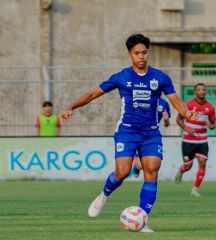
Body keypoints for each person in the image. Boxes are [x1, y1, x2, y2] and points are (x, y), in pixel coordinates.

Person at [61, 34, 196, 233]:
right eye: (136, 53)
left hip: (151, 132)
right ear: (129, 54)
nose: (141, 56)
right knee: (123, 172)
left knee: (152, 170)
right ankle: (104, 195)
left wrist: (186, 112)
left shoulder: (160, 77)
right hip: (127, 131)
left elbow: (176, 101)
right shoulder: (122, 77)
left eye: (144, 53)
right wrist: (71, 106)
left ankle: (142, 220)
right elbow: (92, 94)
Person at [174, 83, 216, 197]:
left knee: (202, 162)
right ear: (195, 92)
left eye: (203, 89)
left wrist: (211, 125)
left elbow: (213, 124)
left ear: (205, 91)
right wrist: (186, 128)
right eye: (199, 90)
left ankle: (195, 189)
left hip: (202, 140)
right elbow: (178, 120)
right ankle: (181, 170)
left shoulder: (210, 107)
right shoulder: (188, 104)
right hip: (188, 140)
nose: (201, 91)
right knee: (188, 165)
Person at [129, 97, 171, 178]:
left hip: (152, 135)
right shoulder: (141, 99)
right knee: (139, 165)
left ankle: (140, 171)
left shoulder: (164, 104)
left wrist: (166, 120)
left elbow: (167, 124)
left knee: (152, 165)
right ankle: (137, 167)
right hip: (137, 133)